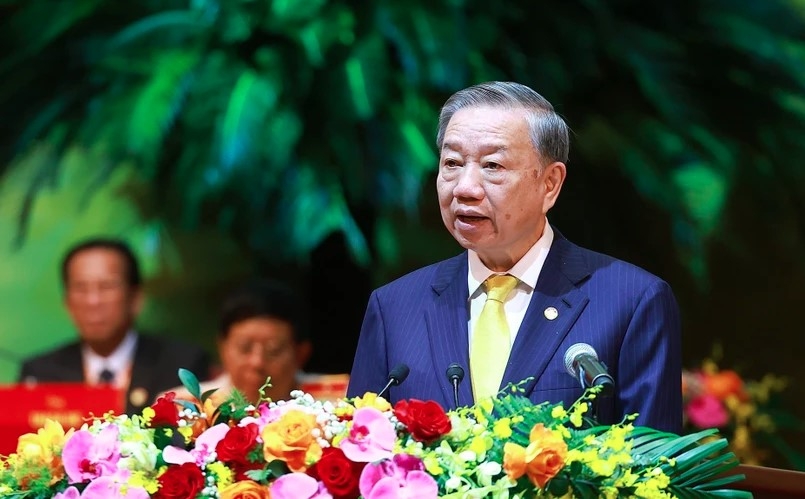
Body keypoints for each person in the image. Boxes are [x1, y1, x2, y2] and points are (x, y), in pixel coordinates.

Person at [347, 81, 682, 433]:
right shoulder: (394, 307)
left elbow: (654, 469)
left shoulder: (631, 301)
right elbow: (361, 456)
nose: (464, 187)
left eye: (492, 166)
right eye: (452, 163)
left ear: (550, 183)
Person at [18, 238, 211, 415]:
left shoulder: (181, 365)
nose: (93, 301)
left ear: (136, 298)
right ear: (67, 303)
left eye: (107, 286)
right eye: (80, 288)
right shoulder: (40, 374)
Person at [167, 279, 313, 405]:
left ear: (301, 353)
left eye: (273, 351)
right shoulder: (183, 406)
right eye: (245, 348)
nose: (257, 362)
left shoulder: (331, 404)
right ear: (222, 347)